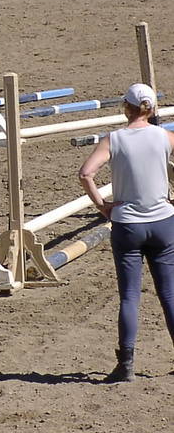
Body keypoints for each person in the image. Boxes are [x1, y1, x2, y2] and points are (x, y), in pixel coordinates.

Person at [79, 83, 174, 383]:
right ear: (152, 108)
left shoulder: (114, 139)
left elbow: (86, 173)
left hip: (127, 225)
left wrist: (102, 206)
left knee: (130, 296)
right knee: (169, 293)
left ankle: (126, 365)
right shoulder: (165, 136)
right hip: (163, 223)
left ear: (126, 108)